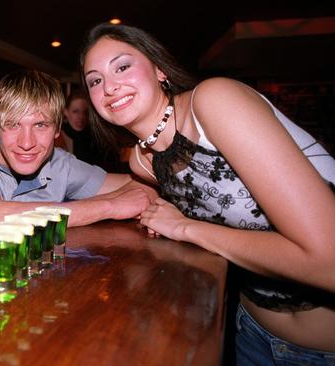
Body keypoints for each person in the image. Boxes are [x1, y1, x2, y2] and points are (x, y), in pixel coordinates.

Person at [80, 23, 335, 365]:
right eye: (95, 81)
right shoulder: (142, 162)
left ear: (159, 70)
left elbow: (328, 263)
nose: (109, 86)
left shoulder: (214, 101)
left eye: (122, 66)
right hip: (249, 334)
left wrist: (185, 227)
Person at [0, 69, 157, 244]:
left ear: (57, 130)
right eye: (12, 124)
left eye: (41, 125)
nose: (27, 143)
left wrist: (149, 199)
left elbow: (137, 185)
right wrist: (109, 206)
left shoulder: (59, 163)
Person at [57, 91, 129, 172]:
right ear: (66, 112)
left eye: (85, 112)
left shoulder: (97, 138)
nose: (81, 117)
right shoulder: (57, 137)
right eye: (75, 111)